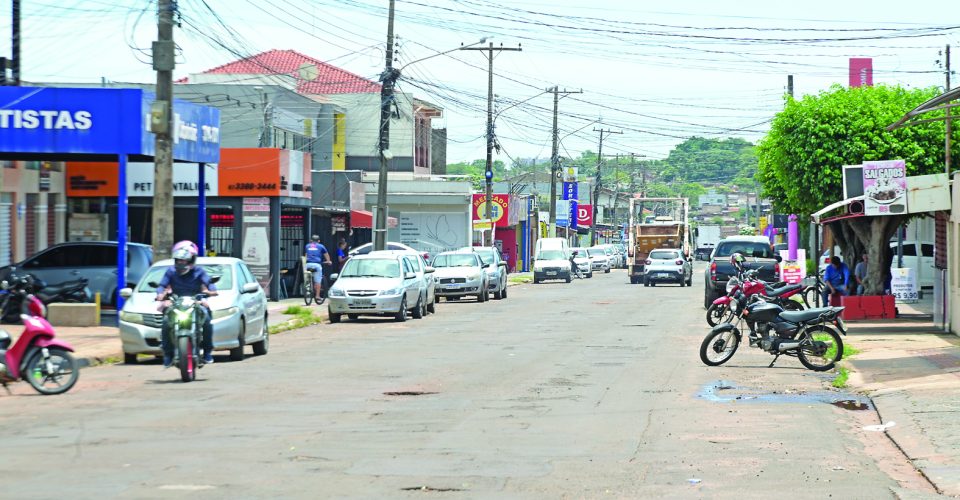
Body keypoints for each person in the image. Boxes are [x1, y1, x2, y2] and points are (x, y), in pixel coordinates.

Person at [155, 240, 218, 367]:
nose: (180, 263)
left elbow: (209, 282)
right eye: (178, 260)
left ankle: (207, 352)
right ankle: (168, 354)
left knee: (206, 319)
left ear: (191, 260)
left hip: (196, 301)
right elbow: (162, 285)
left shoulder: (199, 272)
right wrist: (160, 294)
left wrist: (212, 291)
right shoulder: (171, 272)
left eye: (183, 260)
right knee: (167, 322)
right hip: (177, 303)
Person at [304, 235, 332, 301]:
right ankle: (317, 296)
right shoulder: (321, 246)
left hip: (307, 265)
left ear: (311, 240)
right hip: (316, 265)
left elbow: (306, 256)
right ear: (319, 241)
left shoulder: (307, 246)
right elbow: (326, 255)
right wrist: (328, 261)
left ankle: (308, 287)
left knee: (307, 278)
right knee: (318, 281)